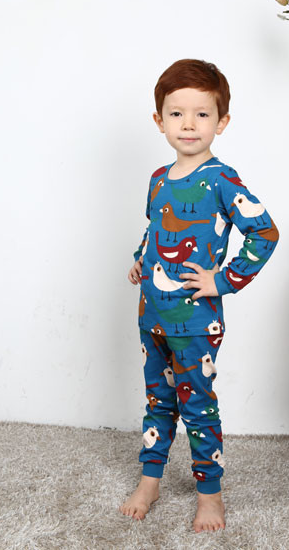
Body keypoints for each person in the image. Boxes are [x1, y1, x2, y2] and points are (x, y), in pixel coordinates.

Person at [118, 59, 279, 533]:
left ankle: (210, 495)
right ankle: (150, 481)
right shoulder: (157, 178)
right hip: (151, 315)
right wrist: (140, 258)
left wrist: (222, 280)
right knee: (157, 402)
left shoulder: (221, 179)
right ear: (159, 121)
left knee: (197, 407)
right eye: (177, 113)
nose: (189, 124)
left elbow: (264, 233)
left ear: (221, 122)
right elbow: (156, 228)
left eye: (202, 114)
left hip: (195, 323)